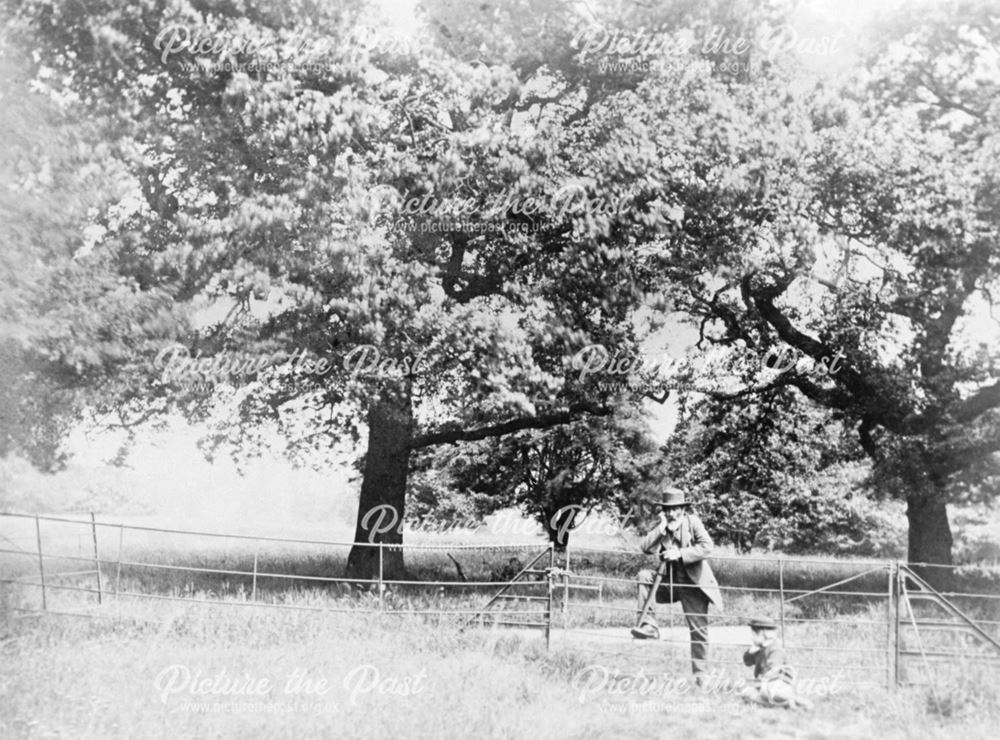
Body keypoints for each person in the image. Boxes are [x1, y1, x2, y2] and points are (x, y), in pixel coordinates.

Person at [630, 487, 722, 679]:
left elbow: (707, 547)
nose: (671, 513)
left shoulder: (692, 522)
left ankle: (701, 676)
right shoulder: (664, 527)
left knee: (698, 631)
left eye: (675, 509)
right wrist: (661, 528)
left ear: (682, 508)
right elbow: (644, 548)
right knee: (644, 576)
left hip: (693, 585)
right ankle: (650, 626)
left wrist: (680, 554)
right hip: (670, 583)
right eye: (667, 510)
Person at [740, 616, 812, 709]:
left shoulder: (775, 649)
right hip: (766, 682)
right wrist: (751, 651)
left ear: (763, 634)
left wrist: (756, 683)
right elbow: (747, 662)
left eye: (753, 634)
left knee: (763, 692)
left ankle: (795, 700)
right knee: (746, 692)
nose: (751, 637)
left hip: (780, 683)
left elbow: (772, 672)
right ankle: (785, 704)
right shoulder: (760, 647)